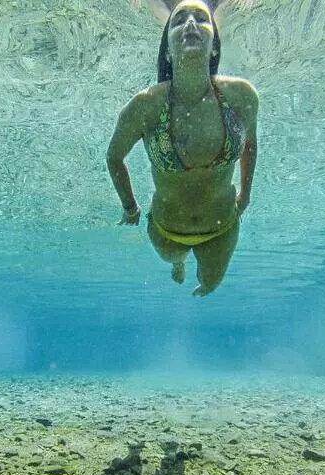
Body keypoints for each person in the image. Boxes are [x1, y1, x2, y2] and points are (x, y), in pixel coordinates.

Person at [107, 0, 258, 296]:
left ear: (215, 45)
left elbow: (250, 143)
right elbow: (114, 156)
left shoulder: (241, 96)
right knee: (173, 260)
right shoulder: (145, 106)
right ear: (167, 49)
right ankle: (179, 265)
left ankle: (189, 267)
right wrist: (130, 207)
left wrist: (246, 194)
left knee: (208, 287)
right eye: (178, 20)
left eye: (201, 18)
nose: (190, 24)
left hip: (222, 227)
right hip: (166, 232)